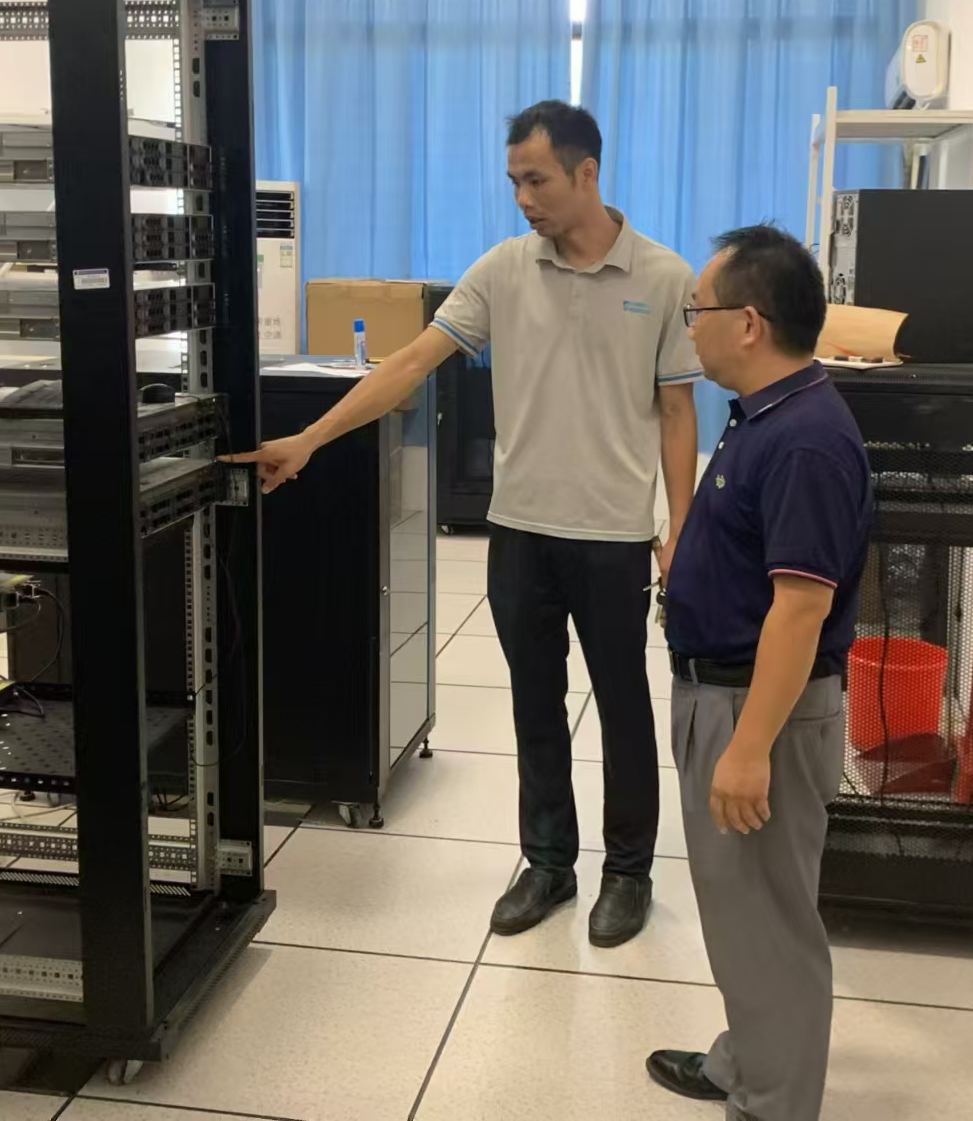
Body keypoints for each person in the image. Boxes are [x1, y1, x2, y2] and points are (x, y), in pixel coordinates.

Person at [228, 101, 701, 947]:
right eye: (513, 180)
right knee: (533, 703)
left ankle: (629, 872)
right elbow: (410, 364)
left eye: (537, 180)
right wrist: (309, 439)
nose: (523, 198)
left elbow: (676, 412)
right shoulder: (504, 270)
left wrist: (682, 532)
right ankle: (548, 863)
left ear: (587, 173)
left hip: (613, 536)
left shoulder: (664, 277)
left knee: (624, 706)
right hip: (519, 532)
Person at [644, 225, 872, 1121]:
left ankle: (774, 1102)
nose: (689, 325)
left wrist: (746, 749)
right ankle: (747, 1060)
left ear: (748, 322)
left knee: (769, 924)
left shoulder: (806, 440)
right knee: (744, 913)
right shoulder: (767, 413)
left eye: (696, 310)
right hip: (728, 693)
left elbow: (801, 610)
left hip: (758, 710)